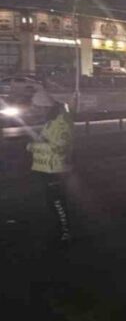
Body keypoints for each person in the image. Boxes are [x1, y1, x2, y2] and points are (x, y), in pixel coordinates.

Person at [26, 90, 74, 244]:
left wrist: (34, 146)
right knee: (52, 203)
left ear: (45, 107)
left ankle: (64, 233)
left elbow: (59, 147)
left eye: (37, 108)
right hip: (48, 169)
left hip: (56, 170)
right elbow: (47, 142)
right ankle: (58, 231)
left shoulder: (61, 123)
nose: (36, 111)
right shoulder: (51, 121)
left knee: (57, 203)